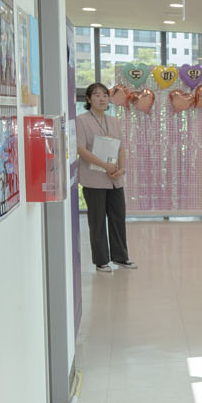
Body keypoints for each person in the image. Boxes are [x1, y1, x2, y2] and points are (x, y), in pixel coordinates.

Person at [77, 82, 135, 273]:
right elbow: (81, 149)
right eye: (96, 95)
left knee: (118, 218)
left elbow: (121, 148)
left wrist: (122, 169)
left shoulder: (114, 121)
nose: (102, 99)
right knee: (98, 221)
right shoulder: (81, 120)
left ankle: (121, 257)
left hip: (115, 179)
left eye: (104, 95)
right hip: (94, 178)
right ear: (88, 99)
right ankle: (101, 260)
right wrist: (105, 166)